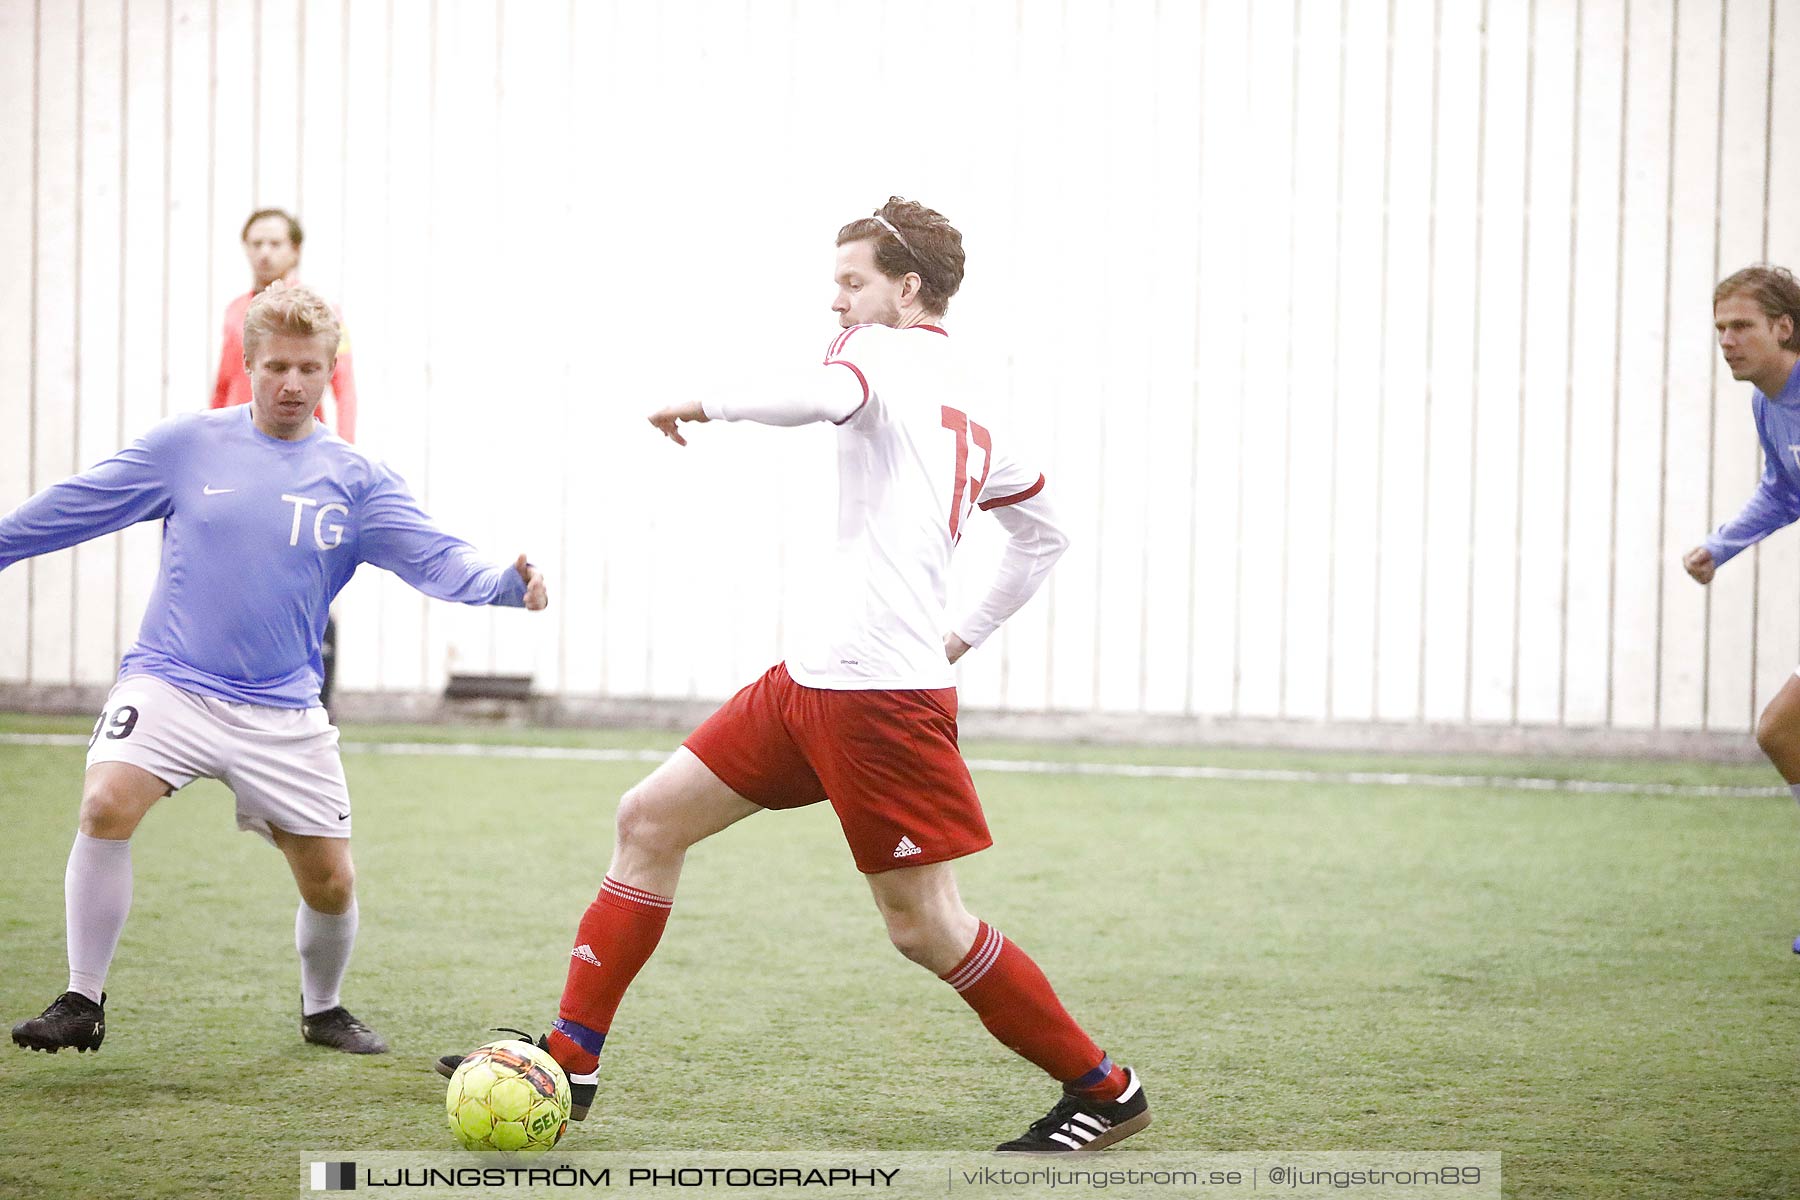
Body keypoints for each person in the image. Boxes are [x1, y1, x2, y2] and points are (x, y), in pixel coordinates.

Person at [437, 198, 1149, 1152]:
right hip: (813, 683)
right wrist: (962, 635)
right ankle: (572, 1056)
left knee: (927, 928)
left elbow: (826, 396)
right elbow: (1046, 531)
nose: (837, 303)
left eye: (851, 282)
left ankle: (1104, 1090)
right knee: (649, 819)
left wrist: (702, 401)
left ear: (907, 290)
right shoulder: (968, 399)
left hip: (877, 704)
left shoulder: (878, 354)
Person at [6, 284, 549, 1056]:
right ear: (249, 364)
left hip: (283, 711)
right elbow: (77, 503)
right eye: (276, 368)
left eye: (308, 369)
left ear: (330, 372)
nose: (291, 384)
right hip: (171, 681)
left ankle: (323, 1010)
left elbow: (434, 557)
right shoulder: (187, 447)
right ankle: (80, 999)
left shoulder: (356, 479)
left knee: (330, 883)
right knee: (104, 801)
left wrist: (503, 581)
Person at [1684, 264, 1800, 951]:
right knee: (1781, 734)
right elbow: (1786, 491)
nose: (1728, 340)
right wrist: (1718, 547)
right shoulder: (1768, 404)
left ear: (1783, 328)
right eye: (1721, 328)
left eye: (1742, 326)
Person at [210, 209, 360, 708]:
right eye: (256, 243)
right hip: (236, 463)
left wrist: (345, 457)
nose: (265, 252)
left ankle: (318, 696)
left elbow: (345, 388)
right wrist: (209, 446)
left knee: (303, 576)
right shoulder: (236, 312)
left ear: (294, 250)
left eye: (275, 243)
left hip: (294, 462)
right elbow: (225, 385)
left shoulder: (322, 314)